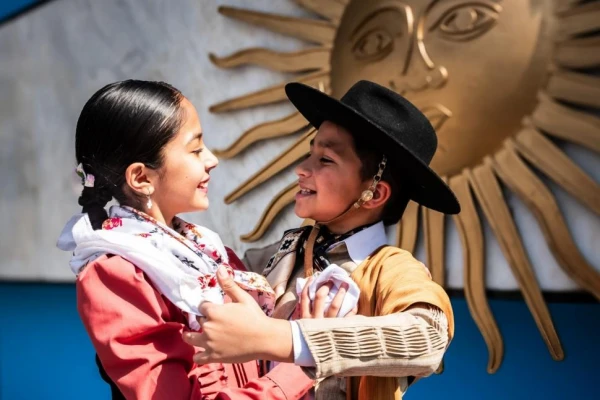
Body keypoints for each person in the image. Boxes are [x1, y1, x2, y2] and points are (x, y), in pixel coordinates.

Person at [183, 80, 460, 399]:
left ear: (374, 193)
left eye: (325, 159)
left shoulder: (393, 271)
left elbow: (426, 339)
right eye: (309, 153)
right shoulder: (269, 258)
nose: (302, 169)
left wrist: (289, 339)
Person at [56, 80, 321, 400]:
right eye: (195, 149)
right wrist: (301, 367)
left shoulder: (208, 251)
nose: (212, 159)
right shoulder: (117, 275)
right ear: (141, 177)